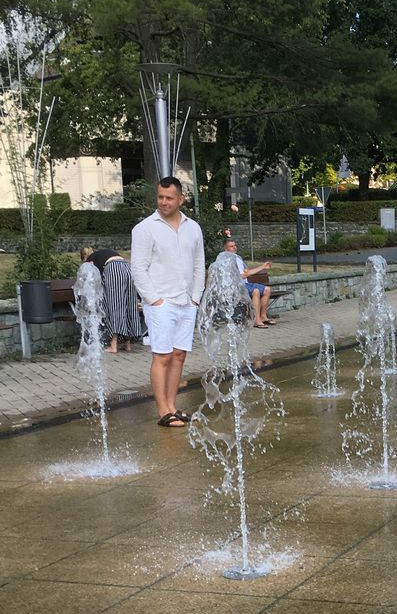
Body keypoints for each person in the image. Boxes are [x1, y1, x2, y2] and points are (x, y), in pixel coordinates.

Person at [130, 176, 205, 428]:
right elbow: (138, 269)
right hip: (161, 303)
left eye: (169, 198)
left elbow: (199, 265)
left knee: (179, 355)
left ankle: (172, 406)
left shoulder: (193, 228)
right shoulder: (144, 229)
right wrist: (155, 300)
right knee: (162, 356)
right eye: (160, 197)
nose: (164, 202)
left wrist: (195, 298)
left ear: (181, 199)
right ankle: (163, 410)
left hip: (187, 301)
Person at [79, 246, 144, 353]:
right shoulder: (103, 253)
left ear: (84, 257)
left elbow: (92, 281)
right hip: (128, 267)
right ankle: (128, 344)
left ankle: (113, 346)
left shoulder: (90, 260)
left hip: (114, 269)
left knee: (114, 305)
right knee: (129, 305)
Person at [221, 239, 274, 327]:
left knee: (267, 290)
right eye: (231, 246)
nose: (234, 247)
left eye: (235, 245)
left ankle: (263, 316)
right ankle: (256, 320)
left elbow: (247, 272)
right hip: (234, 286)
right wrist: (260, 268)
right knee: (256, 291)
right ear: (225, 248)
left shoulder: (238, 258)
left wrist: (263, 266)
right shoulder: (226, 260)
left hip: (245, 285)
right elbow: (241, 276)